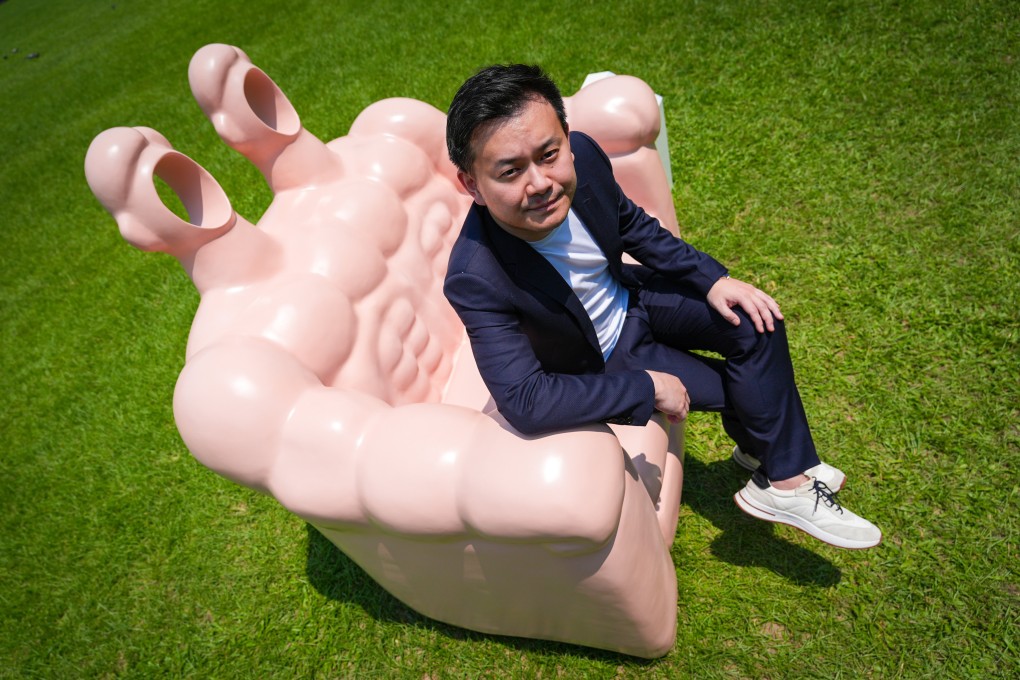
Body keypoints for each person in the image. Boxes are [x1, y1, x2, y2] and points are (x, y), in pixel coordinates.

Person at [442, 64, 881, 550]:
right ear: (472, 185)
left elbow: (630, 225)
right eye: (510, 171)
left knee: (756, 320)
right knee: (748, 390)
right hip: (605, 357)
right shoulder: (474, 276)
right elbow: (525, 400)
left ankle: (781, 480)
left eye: (549, 154)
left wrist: (712, 279)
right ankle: (780, 467)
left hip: (635, 295)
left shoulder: (583, 155)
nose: (541, 182)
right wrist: (645, 387)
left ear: (566, 139)